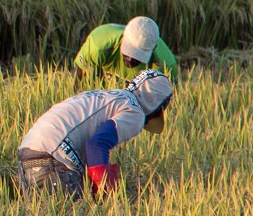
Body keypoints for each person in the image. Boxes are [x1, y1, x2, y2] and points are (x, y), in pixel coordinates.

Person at [17, 68, 173, 199]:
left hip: (27, 156)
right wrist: (106, 194)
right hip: (54, 160)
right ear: (158, 106)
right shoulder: (135, 112)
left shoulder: (107, 96)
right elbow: (96, 144)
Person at [73, 16, 179, 88]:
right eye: (128, 52)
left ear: (153, 50)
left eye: (138, 57)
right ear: (123, 38)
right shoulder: (99, 45)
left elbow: (167, 101)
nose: (130, 60)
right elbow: (77, 78)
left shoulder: (165, 65)